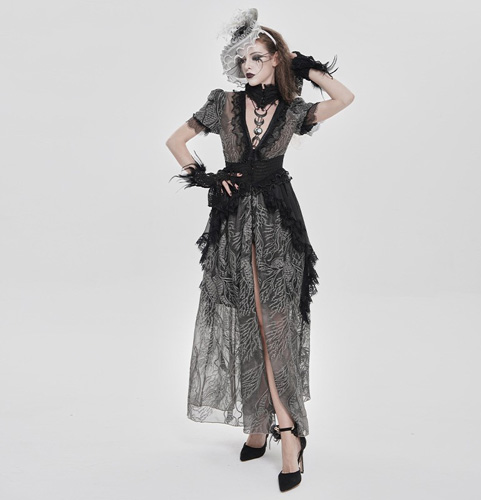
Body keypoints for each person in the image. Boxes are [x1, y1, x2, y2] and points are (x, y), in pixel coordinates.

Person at [166, 8, 354, 492]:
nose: (246, 65)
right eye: (241, 59)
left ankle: (289, 433)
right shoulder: (224, 104)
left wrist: (305, 67)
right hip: (232, 226)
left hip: (276, 225)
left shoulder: (292, 111)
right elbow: (176, 140)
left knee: (274, 325)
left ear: (274, 60)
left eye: (256, 57)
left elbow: (344, 97)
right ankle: (256, 424)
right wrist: (207, 178)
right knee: (244, 318)